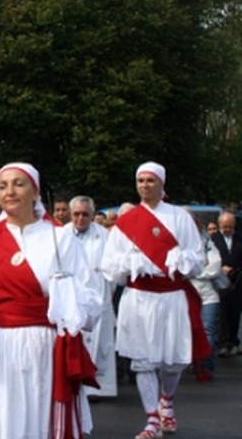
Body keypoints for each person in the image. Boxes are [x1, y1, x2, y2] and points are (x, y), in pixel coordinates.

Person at [0, 163, 100, 439]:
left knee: (39, 425)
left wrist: (68, 296)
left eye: (19, 184)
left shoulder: (60, 239)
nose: (9, 192)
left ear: (35, 191)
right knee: (1, 424)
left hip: (43, 348)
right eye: (3, 186)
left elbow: (89, 303)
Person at [101, 162, 209, 439]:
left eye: (150, 181)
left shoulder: (180, 218)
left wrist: (178, 260)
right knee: (144, 361)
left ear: (161, 184)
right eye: (140, 181)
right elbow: (110, 264)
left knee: (173, 361)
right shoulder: (126, 221)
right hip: (139, 298)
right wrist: (130, 262)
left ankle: (167, 400)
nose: (145, 185)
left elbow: (197, 258)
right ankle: (151, 418)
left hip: (172, 297)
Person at [67, 195, 117, 398]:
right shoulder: (60, 235)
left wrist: (104, 296)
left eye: (85, 214)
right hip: (72, 299)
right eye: (76, 214)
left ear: (92, 215)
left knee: (100, 345)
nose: (80, 218)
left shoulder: (105, 236)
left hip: (98, 297)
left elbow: (111, 271)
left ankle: (99, 388)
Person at [187, 212, 222, 381]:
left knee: (208, 331)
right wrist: (199, 268)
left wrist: (195, 271)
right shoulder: (177, 243)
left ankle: (205, 366)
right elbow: (180, 269)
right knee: (190, 331)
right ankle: (193, 361)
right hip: (187, 295)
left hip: (209, 296)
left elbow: (215, 267)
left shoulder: (208, 242)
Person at [211, 212, 242, 357]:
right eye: (224, 227)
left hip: (237, 281)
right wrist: (221, 267)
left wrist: (235, 269)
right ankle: (223, 343)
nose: (227, 229)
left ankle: (234, 342)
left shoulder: (239, 238)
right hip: (219, 281)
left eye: (230, 227)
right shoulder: (213, 240)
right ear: (219, 225)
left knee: (235, 313)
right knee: (221, 313)